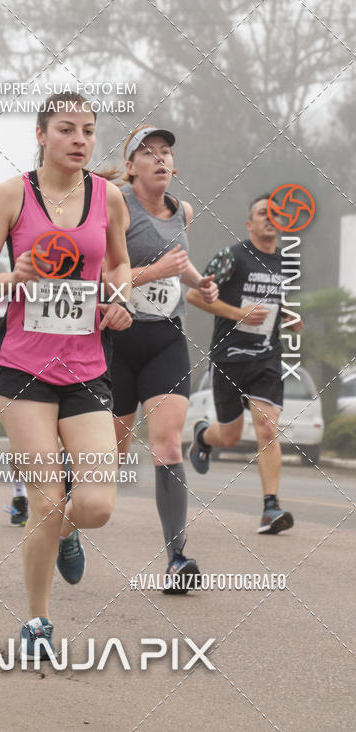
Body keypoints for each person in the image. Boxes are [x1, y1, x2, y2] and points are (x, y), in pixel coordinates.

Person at [0, 93, 133, 658]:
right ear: (42, 134)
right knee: (44, 497)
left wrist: (121, 298)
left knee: (95, 506)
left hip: (87, 368)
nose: (81, 140)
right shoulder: (13, 195)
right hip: (24, 368)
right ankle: (38, 621)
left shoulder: (107, 197)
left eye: (88, 130)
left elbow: (117, 264)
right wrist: (14, 277)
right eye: (67, 130)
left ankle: (68, 531)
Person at [105, 126, 218, 592]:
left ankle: (177, 558)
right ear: (131, 167)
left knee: (168, 446)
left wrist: (199, 282)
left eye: (166, 153)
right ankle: (66, 524)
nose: (159, 160)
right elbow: (104, 279)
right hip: (117, 341)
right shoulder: (116, 207)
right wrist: (155, 271)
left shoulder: (182, 211)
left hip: (166, 341)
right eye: (148, 154)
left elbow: (179, 261)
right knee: (109, 455)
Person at [186, 193, 296, 534]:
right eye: (263, 213)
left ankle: (270, 508)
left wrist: (288, 316)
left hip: (266, 356)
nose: (270, 218)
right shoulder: (231, 257)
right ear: (250, 224)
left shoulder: (284, 263)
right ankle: (204, 437)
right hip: (229, 356)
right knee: (230, 436)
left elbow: (270, 305)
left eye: (275, 213)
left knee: (267, 426)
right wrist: (238, 315)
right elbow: (193, 295)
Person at [0, 298, 29, 526]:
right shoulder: (21, 273)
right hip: (23, 361)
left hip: (73, 360)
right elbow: (1, 322)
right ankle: (20, 495)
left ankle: (64, 498)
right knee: (21, 440)